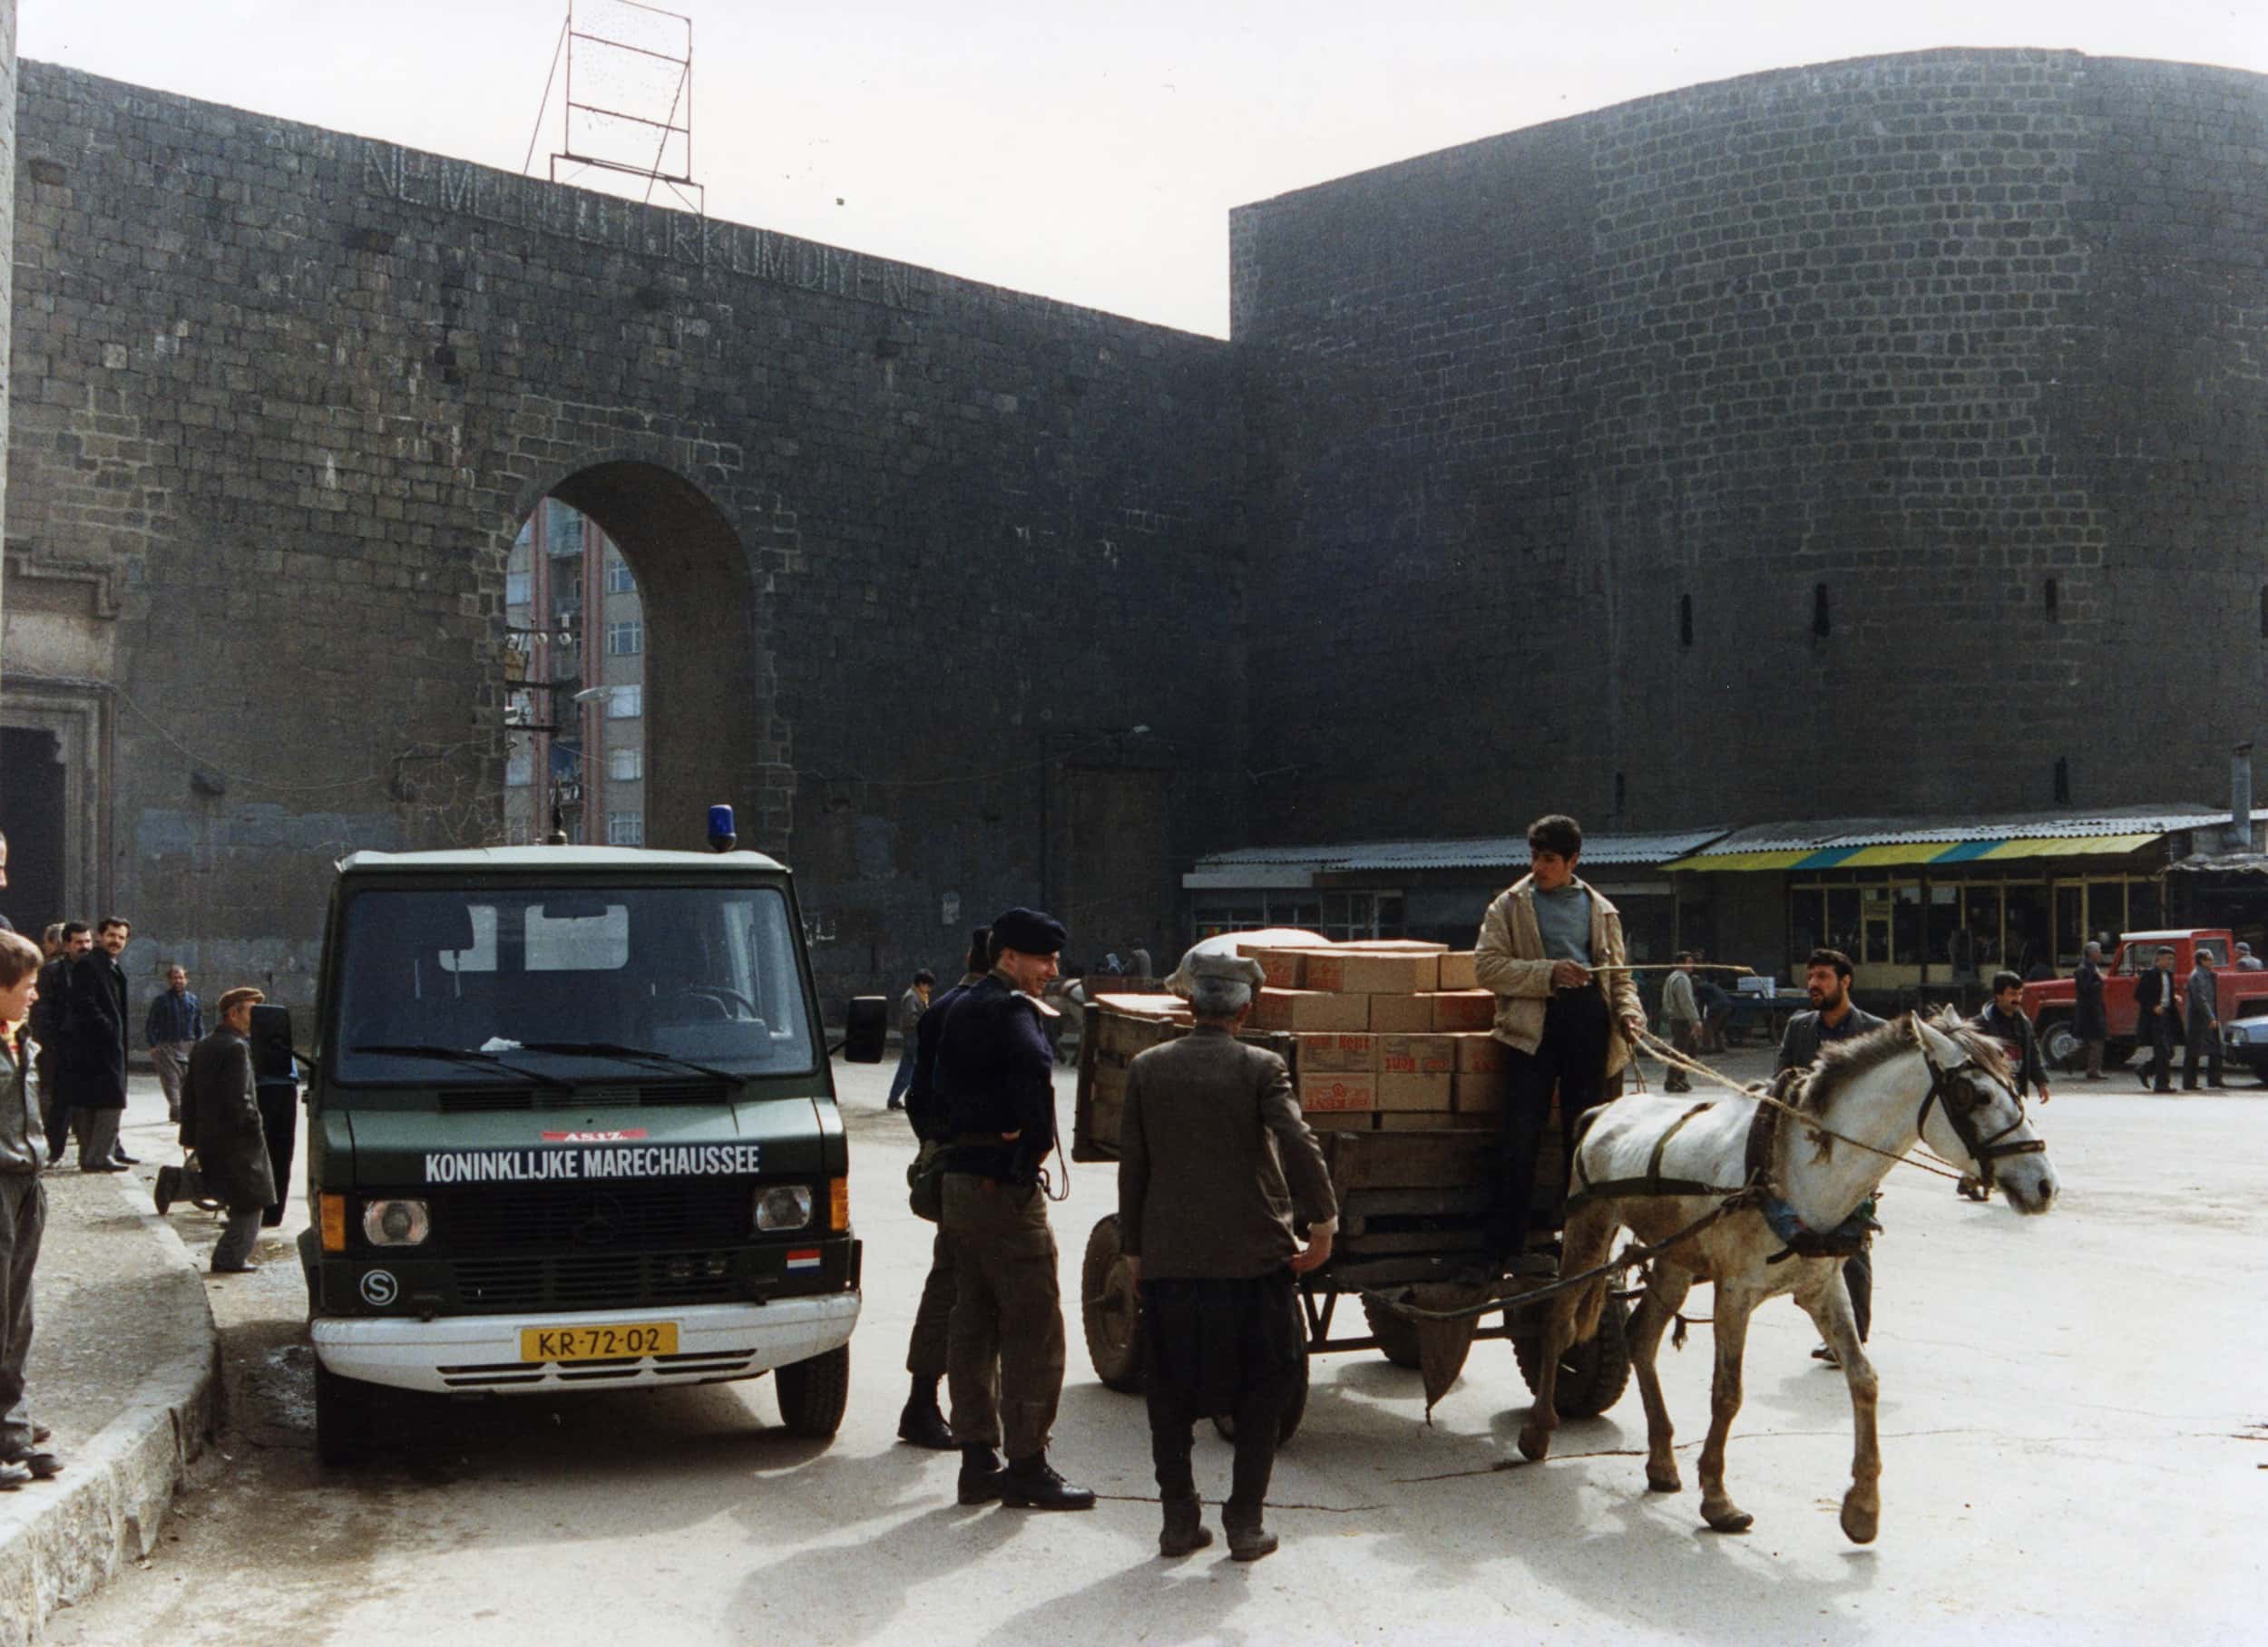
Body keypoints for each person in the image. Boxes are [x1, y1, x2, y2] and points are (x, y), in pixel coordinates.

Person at [1119, 948, 1335, 1562]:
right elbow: (1299, 1142)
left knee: (1169, 1396)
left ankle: (1178, 1523)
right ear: (1247, 1007)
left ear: (1188, 1002)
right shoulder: (1262, 1067)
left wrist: (1134, 1249)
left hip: (1171, 1261)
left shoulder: (1146, 1067)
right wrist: (1323, 1222)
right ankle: (1245, 1526)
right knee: (1264, 1390)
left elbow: (1134, 1167)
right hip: (1252, 1262)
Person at [932, 907, 1092, 1511]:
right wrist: (1028, 1146)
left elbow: (930, 1094)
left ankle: (977, 1462)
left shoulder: (956, 1008)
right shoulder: (1012, 1013)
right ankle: (1027, 1464)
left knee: (972, 1321)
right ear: (1009, 958)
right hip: (1004, 1192)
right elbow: (1036, 1075)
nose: (1051, 971)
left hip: (959, 1185)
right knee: (1032, 1327)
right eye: (1043, 960)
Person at [1472, 814, 1647, 1279]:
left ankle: (1579, 1243)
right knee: (1519, 1136)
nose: (1540, 867)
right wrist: (1548, 973)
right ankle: (1502, 1246)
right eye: (1534, 857)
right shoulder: (1508, 906)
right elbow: (1487, 968)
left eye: (1549, 859)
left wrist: (1630, 1013)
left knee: (1585, 1138)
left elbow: (1620, 978)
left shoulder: (1601, 909)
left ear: (1573, 860)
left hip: (1589, 1020)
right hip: (1532, 1027)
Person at [894, 931, 989, 1452]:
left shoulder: (946, 1007)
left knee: (954, 1284)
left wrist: (932, 1148)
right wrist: (946, 1150)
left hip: (953, 1166)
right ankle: (926, 1403)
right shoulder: (972, 1010)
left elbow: (916, 1098)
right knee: (952, 1285)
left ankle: (931, 1402)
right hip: (970, 1174)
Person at [1775, 949, 1888, 1363]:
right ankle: (1833, 1334)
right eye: (1810, 977)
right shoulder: (1798, 1028)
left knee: (1851, 1244)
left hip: (1854, 1158)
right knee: (1807, 1239)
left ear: (1845, 982)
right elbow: (1781, 1081)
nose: (1813, 984)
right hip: (1804, 1154)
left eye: (1823, 976)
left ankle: (1852, 1339)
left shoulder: (1874, 1032)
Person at [0, 929, 61, 1484]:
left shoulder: (19, 1039)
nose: (35, 994)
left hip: (26, 1182)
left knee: (19, 1314)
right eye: (28, 985)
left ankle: (12, 1431)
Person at [181, 988, 279, 1273]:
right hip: (238, 1142)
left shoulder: (204, 1044)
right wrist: (255, 1127)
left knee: (236, 1197)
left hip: (211, 1139)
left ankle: (229, 1257)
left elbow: (190, 1097)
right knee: (253, 1200)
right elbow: (241, 1099)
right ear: (233, 1014)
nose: (255, 1019)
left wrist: (190, 1138)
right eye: (251, 1011)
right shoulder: (237, 1048)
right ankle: (229, 1258)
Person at [1966, 970, 2052, 1200]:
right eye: (2011, 994)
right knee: (1991, 1138)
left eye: (2020, 994)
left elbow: (2032, 1052)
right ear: (1997, 996)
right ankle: (1975, 1180)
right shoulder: (1980, 1025)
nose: (2017, 999)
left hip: (2013, 1091)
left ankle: (1974, 1180)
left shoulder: (2022, 1021)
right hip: (1990, 1095)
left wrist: (2041, 1081)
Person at [63, 919, 133, 1172]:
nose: (116, 941)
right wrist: (107, 1029)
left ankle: (92, 1157)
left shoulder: (108, 965)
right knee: (110, 1099)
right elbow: (85, 1003)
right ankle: (99, 1156)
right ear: (100, 936)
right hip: (96, 1046)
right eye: (112, 935)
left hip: (105, 1045)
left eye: (121, 937)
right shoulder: (89, 965)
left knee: (98, 1100)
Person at [30, 926, 83, 1167]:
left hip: (77, 1044)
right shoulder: (52, 971)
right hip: (59, 1045)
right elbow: (42, 1012)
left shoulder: (87, 969)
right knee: (58, 1100)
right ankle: (53, 1149)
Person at [146, 966, 204, 1126]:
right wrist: (153, 1045)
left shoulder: (193, 1000)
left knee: (186, 1081)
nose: (177, 981)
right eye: (174, 978)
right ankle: (178, 1111)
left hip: (189, 1044)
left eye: (180, 977)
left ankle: (177, 1112)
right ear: (169, 980)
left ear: (186, 979)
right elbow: (151, 1024)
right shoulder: (161, 1000)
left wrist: (200, 1044)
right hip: (167, 1045)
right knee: (171, 1080)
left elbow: (199, 1023)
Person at [885, 970, 935, 1112]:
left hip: (913, 1036)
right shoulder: (912, 997)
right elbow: (910, 1019)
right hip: (913, 1036)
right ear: (921, 984)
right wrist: (925, 1021)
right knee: (918, 1070)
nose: (929, 989)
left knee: (905, 1070)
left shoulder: (918, 995)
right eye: (928, 986)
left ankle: (893, 1099)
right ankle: (919, 1099)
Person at [2135, 945, 2179, 1094]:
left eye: (2172, 959)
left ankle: (2145, 1069)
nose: (2170, 962)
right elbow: (2139, 995)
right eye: (2167, 959)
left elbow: (2166, 993)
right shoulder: (2149, 974)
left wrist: (2174, 997)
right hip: (2154, 1017)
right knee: (2162, 1050)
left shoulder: (2169, 975)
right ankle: (2162, 1084)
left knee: (2169, 1051)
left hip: (2167, 1015)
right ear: (2158, 959)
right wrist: (2152, 1007)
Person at [2183, 947, 2225, 1091]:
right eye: (2209, 959)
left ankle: (2214, 1079)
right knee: (2194, 1051)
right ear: (2201, 961)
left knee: (2217, 1048)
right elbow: (2200, 999)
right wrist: (2210, 1017)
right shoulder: (2196, 976)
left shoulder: (2209, 975)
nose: (2212, 961)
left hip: (2210, 1017)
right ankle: (2189, 1082)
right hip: (2199, 1020)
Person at [1661, 951, 1701, 1093]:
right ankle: (1672, 1081)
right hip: (1682, 1020)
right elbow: (1686, 1002)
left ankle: (1681, 1078)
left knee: (1689, 1050)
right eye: (1689, 962)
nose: (1692, 965)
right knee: (1680, 1052)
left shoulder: (1673, 977)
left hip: (1678, 1019)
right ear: (1681, 963)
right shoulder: (1681, 979)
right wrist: (1695, 1020)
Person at [2073, 940, 2108, 1081]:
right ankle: (2093, 1070)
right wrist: (2099, 981)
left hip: (2094, 1008)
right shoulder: (2084, 969)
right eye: (2098, 951)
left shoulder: (2092, 967)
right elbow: (2084, 989)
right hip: (2089, 1010)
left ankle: (2069, 1059)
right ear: (2091, 953)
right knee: (2097, 1040)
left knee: (2090, 1042)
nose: (2100, 954)